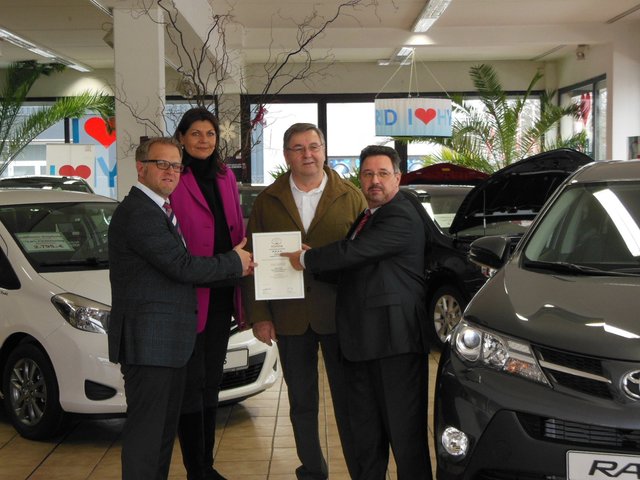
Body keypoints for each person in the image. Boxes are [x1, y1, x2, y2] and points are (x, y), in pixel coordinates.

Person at [281, 145, 432, 480]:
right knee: (366, 436)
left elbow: (356, 252)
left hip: (396, 344)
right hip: (364, 343)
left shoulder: (401, 213)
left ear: (398, 178)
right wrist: (316, 263)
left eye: (382, 173)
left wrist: (307, 259)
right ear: (359, 179)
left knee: (405, 438)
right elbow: (358, 266)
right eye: (367, 174)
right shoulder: (368, 216)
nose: (374, 181)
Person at [108, 136, 254, 480]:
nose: (171, 171)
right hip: (150, 347)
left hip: (167, 347)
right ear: (140, 168)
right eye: (162, 164)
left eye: (176, 165)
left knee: (160, 440)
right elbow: (182, 267)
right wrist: (233, 262)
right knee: (147, 440)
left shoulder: (161, 209)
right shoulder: (138, 213)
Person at [243, 123, 366, 479]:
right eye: (298, 148)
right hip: (289, 315)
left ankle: (360, 469)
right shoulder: (269, 200)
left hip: (339, 314)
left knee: (349, 401)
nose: (307, 154)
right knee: (301, 402)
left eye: (314, 146)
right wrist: (260, 315)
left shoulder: (351, 196)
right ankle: (312, 470)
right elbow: (254, 261)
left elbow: (362, 258)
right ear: (286, 155)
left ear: (325, 150)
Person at [169, 108, 244, 480]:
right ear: (181, 138)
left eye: (210, 133)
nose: (203, 140)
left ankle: (207, 466)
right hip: (187, 292)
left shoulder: (225, 174)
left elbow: (236, 226)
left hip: (221, 292)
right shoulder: (173, 177)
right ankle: (196, 468)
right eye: (195, 133)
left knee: (211, 383)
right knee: (191, 385)